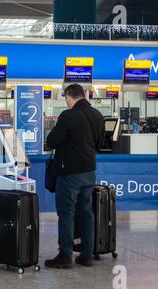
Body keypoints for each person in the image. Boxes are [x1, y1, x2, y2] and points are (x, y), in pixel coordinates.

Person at [44, 84, 104, 269]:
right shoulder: (97, 115)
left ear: (69, 97)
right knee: (86, 212)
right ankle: (86, 255)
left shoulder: (68, 115)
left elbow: (51, 141)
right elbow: (100, 144)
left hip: (69, 173)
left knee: (66, 213)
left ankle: (65, 254)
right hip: (89, 172)